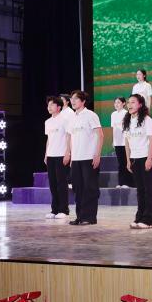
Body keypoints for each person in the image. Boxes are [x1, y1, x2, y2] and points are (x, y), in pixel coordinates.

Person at [65, 90, 103, 226]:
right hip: (76, 159)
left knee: (90, 188)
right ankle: (80, 216)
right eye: (71, 99)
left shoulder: (91, 115)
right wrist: (69, 154)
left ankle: (89, 217)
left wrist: (97, 154)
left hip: (89, 157)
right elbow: (70, 137)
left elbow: (100, 135)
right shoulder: (72, 118)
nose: (73, 101)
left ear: (83, 101)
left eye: (76, 99)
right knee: (78, 188)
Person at [124, 94, 152, 229]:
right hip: (135, 158)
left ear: (140, 104)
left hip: (147, 156)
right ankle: (139, 217)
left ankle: (148, 219)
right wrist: (128, 160)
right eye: (129, 102)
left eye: (133, 102)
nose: (130, 105)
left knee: (148, 189)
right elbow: (127, 142)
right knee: (140, 189)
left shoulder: (146, 120)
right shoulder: (127, 120)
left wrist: (149, 159)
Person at [44, 96, 71, 219]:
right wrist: (46, 154)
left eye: (52, 105)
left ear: (59, 107)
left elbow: (68, 137)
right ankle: (54, 209)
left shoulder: (65, 120)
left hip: (61, 154)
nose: (49, 107)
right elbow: (49, 139)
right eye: (48, 105)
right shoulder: (48, 122)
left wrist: (68, 153)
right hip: (51, 155)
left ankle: (63, 210)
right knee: (53, 183)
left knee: (61, 183)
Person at [109, 97, 132, 188]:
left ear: (123, 103)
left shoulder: (126, 113)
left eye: (118, 102)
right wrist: (113, 140)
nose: (116, 104)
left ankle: (128, 183)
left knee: (126, 162)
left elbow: (128, 129)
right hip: (117, 142)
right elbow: (114, 128)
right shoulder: (113, 114)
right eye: (115, 103)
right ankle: (121, 182)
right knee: (120, 163)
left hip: (125, 142)